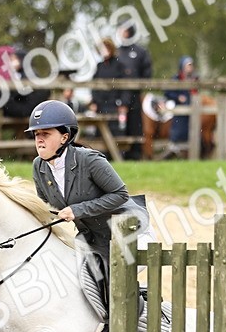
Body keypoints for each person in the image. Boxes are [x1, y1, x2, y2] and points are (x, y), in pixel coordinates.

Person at [27, 99, 149, 283]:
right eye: (36, 134)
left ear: (64, 137)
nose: (39, 139)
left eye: (46, 133)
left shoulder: (89, 160)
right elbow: (46, 208)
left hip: (130, 233)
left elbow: (120, 195)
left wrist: (77, 210)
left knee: (114, 283)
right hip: (93, 239)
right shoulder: (39, 166)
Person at [116, 23, 152, 159]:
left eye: (123, 30)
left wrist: (139, 86)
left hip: (135, 97)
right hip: (119, 97)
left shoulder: (140, 52)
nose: (121, 33)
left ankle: (136, 154)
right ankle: (119, 153)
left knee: (135, 124)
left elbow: (147, 73)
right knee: (119, 125)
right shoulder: (117, 52)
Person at [88, 38, 126, 133]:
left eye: (106, 48)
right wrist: (94, 102)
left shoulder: (119, 65)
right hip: (100, 105)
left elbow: (125, 87)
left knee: (115, 131)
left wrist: (123, 103)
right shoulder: (99, 66)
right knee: (99, 132)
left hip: (114, 105)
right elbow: (94, 86)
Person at [164, 56, 197, 149]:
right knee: (178, 127)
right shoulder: (176, 78)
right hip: (179, 108)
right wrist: (178, 97)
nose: (190, 68)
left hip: (192, 108)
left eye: (191, 65)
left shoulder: (194, 79)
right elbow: (167, 92)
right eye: (188, 65)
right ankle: (174, 144)